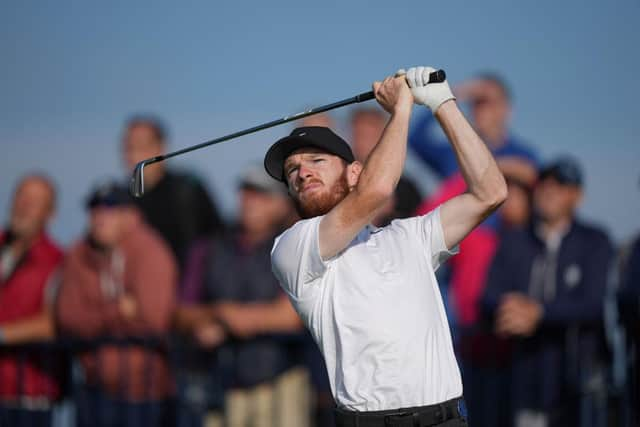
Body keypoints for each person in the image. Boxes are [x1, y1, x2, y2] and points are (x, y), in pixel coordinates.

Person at [264, 66, 508, 426]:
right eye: (292, 170)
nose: (302, 172)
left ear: (354, 173)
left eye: (316, 160)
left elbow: (491, 192)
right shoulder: (292, 247)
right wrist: (402, 108)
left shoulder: (409, 236)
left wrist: (443, 104)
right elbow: (376, 190)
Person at [482, 157, 613, 427]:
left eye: (561, 186)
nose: (549, 192)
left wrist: (539, 313)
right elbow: (489, 296)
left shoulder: (595, 241)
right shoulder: (515, 239)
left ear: (577, 196)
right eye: (544, 185)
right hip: (522, 374)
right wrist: (509, 308)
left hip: (578, 377)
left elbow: (594, 303)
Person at [175, 165, 308, 427]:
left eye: (262, 195)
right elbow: (181, 312)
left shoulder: (295, 245)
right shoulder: (210, 247)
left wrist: (230, 317)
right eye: (246, 193)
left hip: (281, 384)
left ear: (282, 204)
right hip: (221, 386)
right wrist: (216, 317)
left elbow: (293, 315)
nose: (250, 202)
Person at [56, 181, 177, 427]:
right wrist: (117, 311)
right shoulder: (78, 254)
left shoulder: (150, 250)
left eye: (110, 209)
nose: (99, 217)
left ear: (131, 216)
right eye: (94, 209)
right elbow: (68, 318)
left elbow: (153, 319)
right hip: (92, 390)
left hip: (144, 394)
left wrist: (94, 319)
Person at [121, 115, 225, 273]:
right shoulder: (119, 201)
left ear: (160, 148)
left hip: (187, 289)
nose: (133, 155)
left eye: (141, 147)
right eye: (128, 148)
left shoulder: (187, 189)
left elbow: (218, 240)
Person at [0, 175, 64, 427]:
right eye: (20, 197)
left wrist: (3, 334)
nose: (23, 206)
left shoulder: (57, 261)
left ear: (50, 214)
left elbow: (54, 323)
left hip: (30, 394)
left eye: (34, 202)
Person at [409, 73, 539, 179]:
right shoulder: (455, 154)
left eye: (486, 102)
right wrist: (449, 95)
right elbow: (415, 139)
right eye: (475, 102)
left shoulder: (523, 156)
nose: (480, 110)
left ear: (506, 109)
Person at [350, 107, 422, 226]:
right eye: (358, 135)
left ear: (384, 138)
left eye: (368, 136)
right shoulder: (340, 184)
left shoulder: (406, 189)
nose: (361, 142)